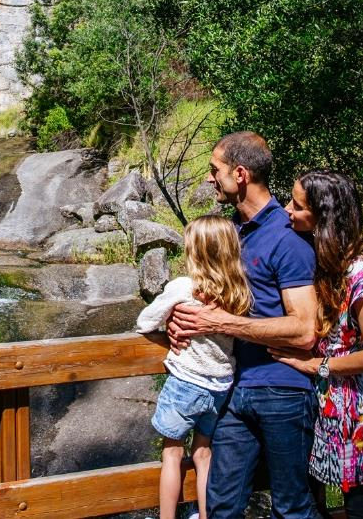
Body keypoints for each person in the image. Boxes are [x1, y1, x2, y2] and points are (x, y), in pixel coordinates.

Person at [169, 132, 320, 519]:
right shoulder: (229, 232)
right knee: (220, 506)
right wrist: (179, 321)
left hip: (284, 391)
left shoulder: (288, 239)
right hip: (235, 390)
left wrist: (222, 321)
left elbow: (304, 329)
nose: (209, 178)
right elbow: (209, 297)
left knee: (291, 507)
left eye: (213, 170)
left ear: (240, 174)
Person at [272, 170, 363, 519]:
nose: (287, 211)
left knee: (362, 511)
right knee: (311, 504)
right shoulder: (323, 262)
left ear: (323, 217)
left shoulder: (358, 272)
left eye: (297, 206)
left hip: (358, 408)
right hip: (323, 404)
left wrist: (319, 366)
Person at [136, 215, 252, 519]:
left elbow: (145, 322)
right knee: (203, 452)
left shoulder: (185, 287)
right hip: (220, 387)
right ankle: (205, 515)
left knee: (172, 453)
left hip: (186, 382)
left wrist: (167, 329)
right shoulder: (238, 292)